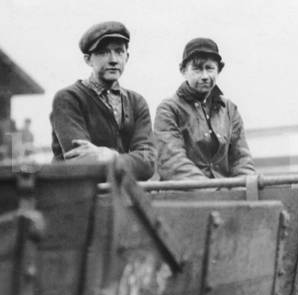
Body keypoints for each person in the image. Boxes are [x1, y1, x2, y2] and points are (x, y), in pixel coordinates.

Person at [49, 21, 155, 179]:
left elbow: (147, 162)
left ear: (127, 57)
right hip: (74, 191)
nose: (113, 60)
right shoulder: (68, 98)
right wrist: (128, 162)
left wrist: (109, 157)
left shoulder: (136, 102)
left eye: (119, 51)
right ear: (88, 59)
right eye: (103, 52)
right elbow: (81, 160)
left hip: (119, 190)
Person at [154, 38, 256, 180]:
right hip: (185, 192)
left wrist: (244, 187)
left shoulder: (229, 109)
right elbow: (172, 162)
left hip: (227, 191)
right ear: (183, 70)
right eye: (197, 69)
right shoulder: (169, 109)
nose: (204, 76)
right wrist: (213, 189)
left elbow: (242, 160)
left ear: (219, 69)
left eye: (210, 68)